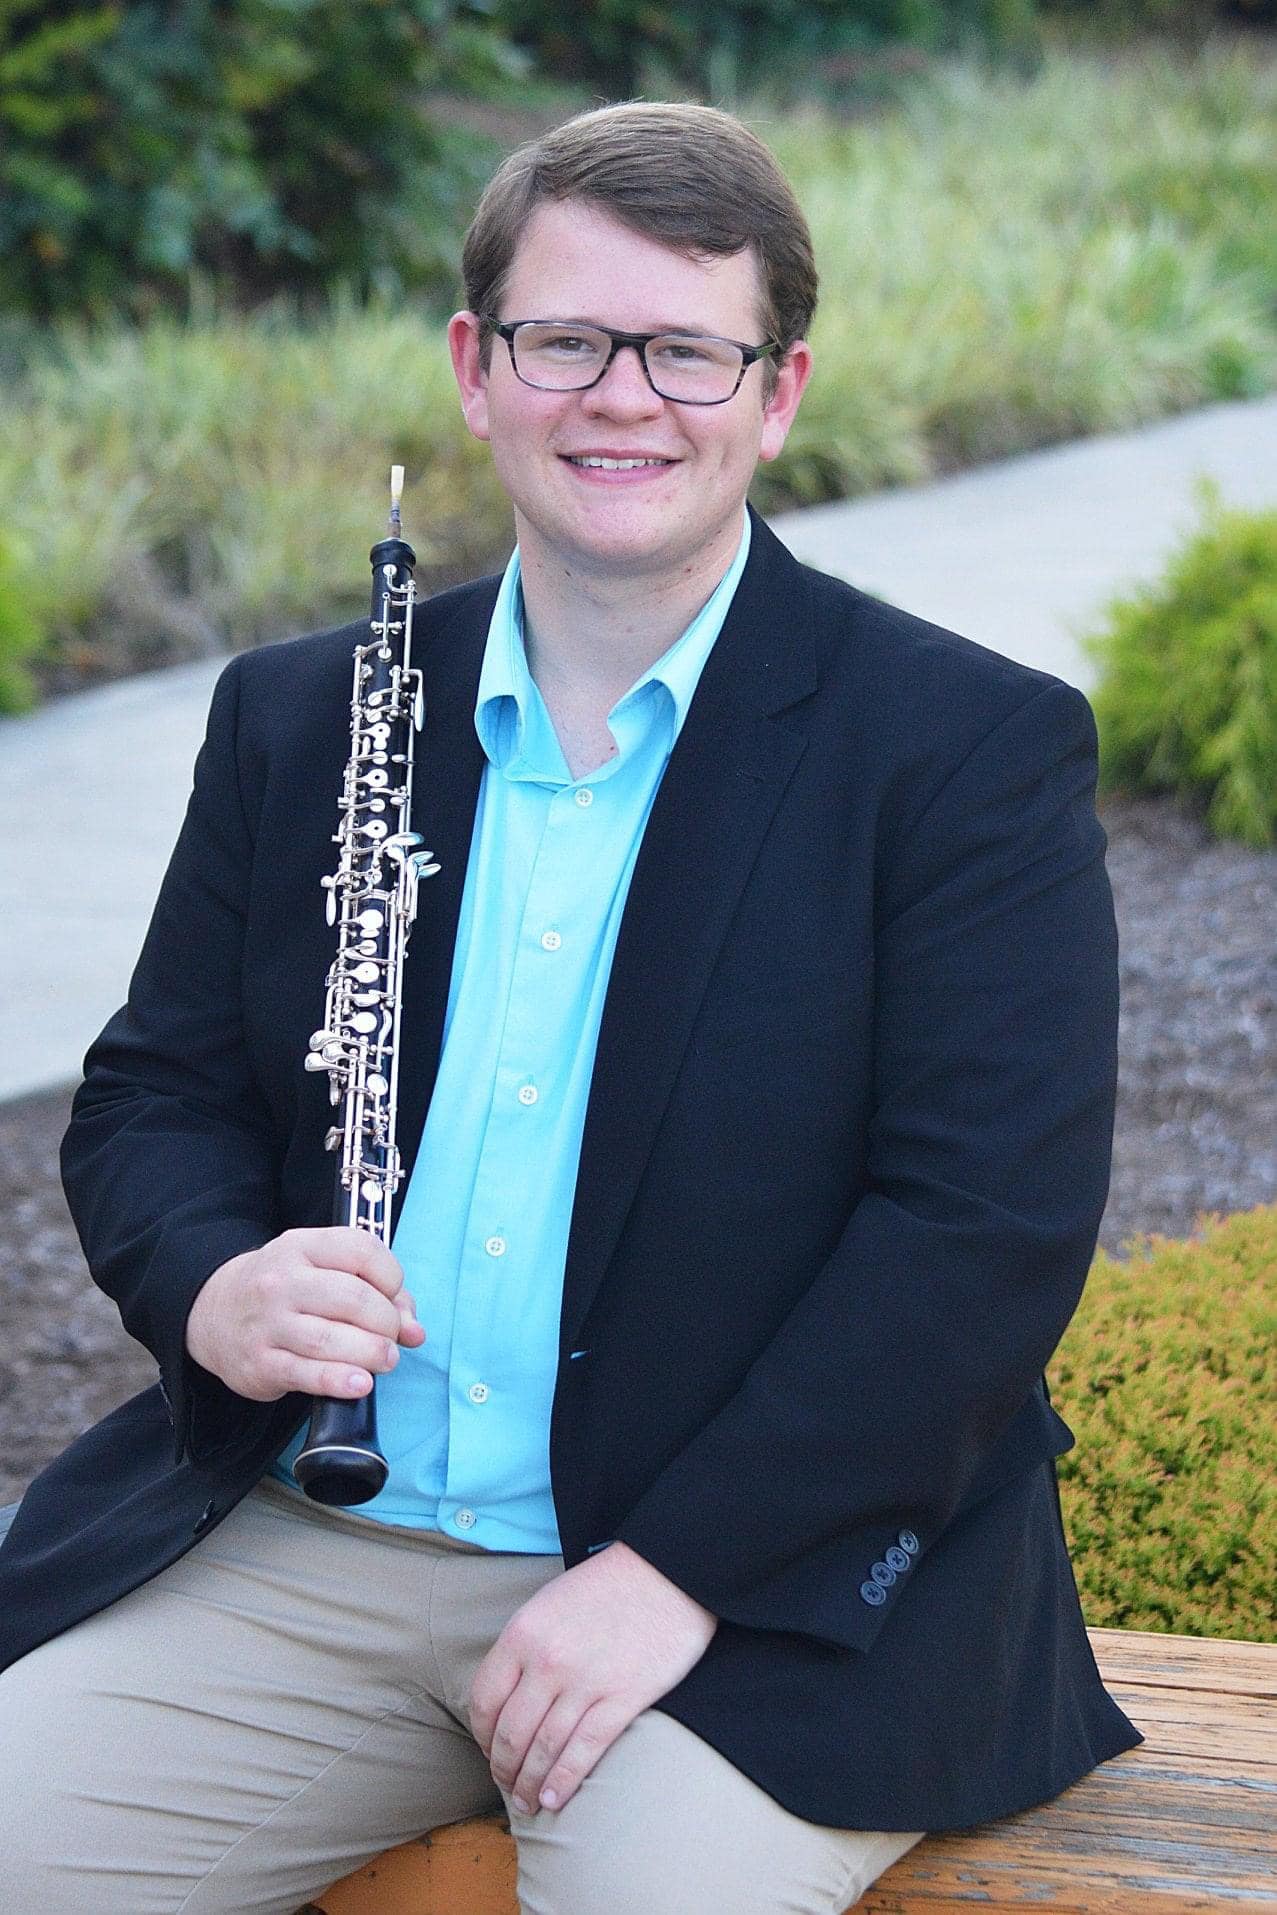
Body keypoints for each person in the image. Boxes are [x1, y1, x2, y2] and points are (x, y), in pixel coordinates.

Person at [0, 100, 1139, 1914]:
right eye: (565, 340)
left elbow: (977, 1235)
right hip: (319, 1537)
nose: (624, 396)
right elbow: (152, 1097)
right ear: (477, 369)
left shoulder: (959, 750)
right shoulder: (305, 715)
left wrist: (673, 1569)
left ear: (776, 393)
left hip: (741, 1594)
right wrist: (216, 1281)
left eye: (689, 349)